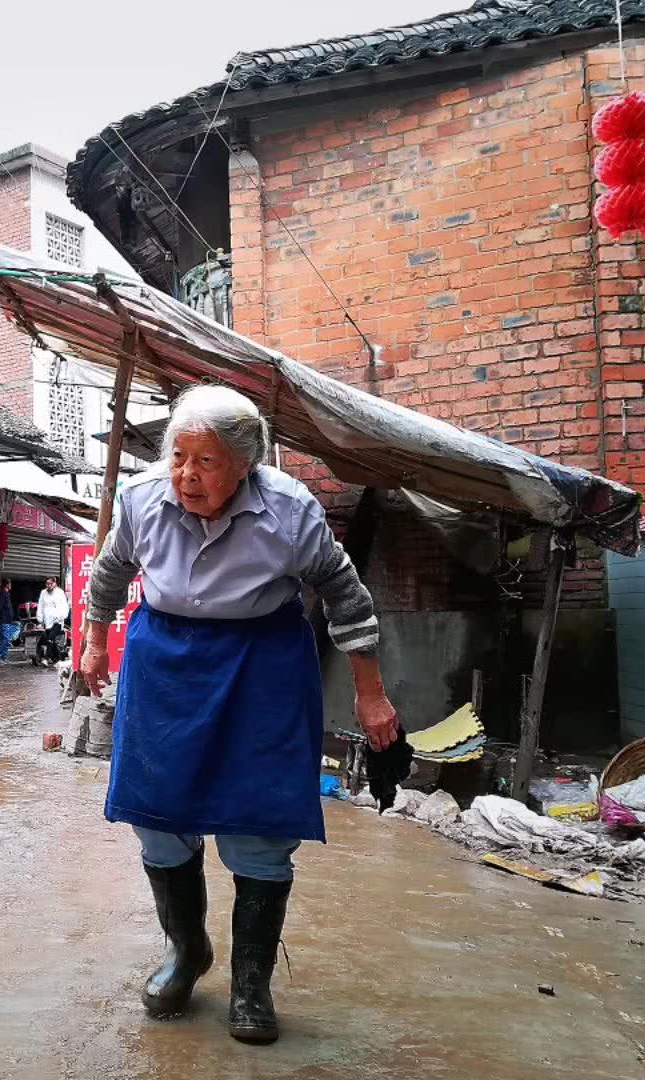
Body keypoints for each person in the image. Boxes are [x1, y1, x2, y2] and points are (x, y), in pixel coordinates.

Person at [82, 385, 398, 1045]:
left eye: (207, 461)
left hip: (262, 666)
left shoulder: (290, 511)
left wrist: (371, 692)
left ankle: (252, 983)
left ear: (246, 464)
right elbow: (110, 574)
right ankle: (187, 952)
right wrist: (92, 642)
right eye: (179, 455)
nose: (187, 474)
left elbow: (344, 592)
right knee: (159, 816)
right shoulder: (143, 501)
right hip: (167, 664)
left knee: (257, 823)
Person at [35, 576, 70, 667]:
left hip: (57, 621)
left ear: (55, 584)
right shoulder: (43, 593)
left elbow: (65, 606)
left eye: (51, 584)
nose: (49, 586)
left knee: (50, 639)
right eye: (47, 584)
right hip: (47, 621)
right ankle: (57, 659)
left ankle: (45, 658)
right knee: (51, 641)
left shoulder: (60, 593)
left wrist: (61, 616)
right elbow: (40, 606)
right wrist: (40, 619)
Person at [0, 578, 17, 663]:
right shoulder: (2, 594)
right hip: (3, 620)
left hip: (7, 620)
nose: (10, 585)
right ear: (7, 584)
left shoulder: (6, 594)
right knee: (5, 638)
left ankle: (3, 657)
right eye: (10, 584)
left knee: (6, 639)